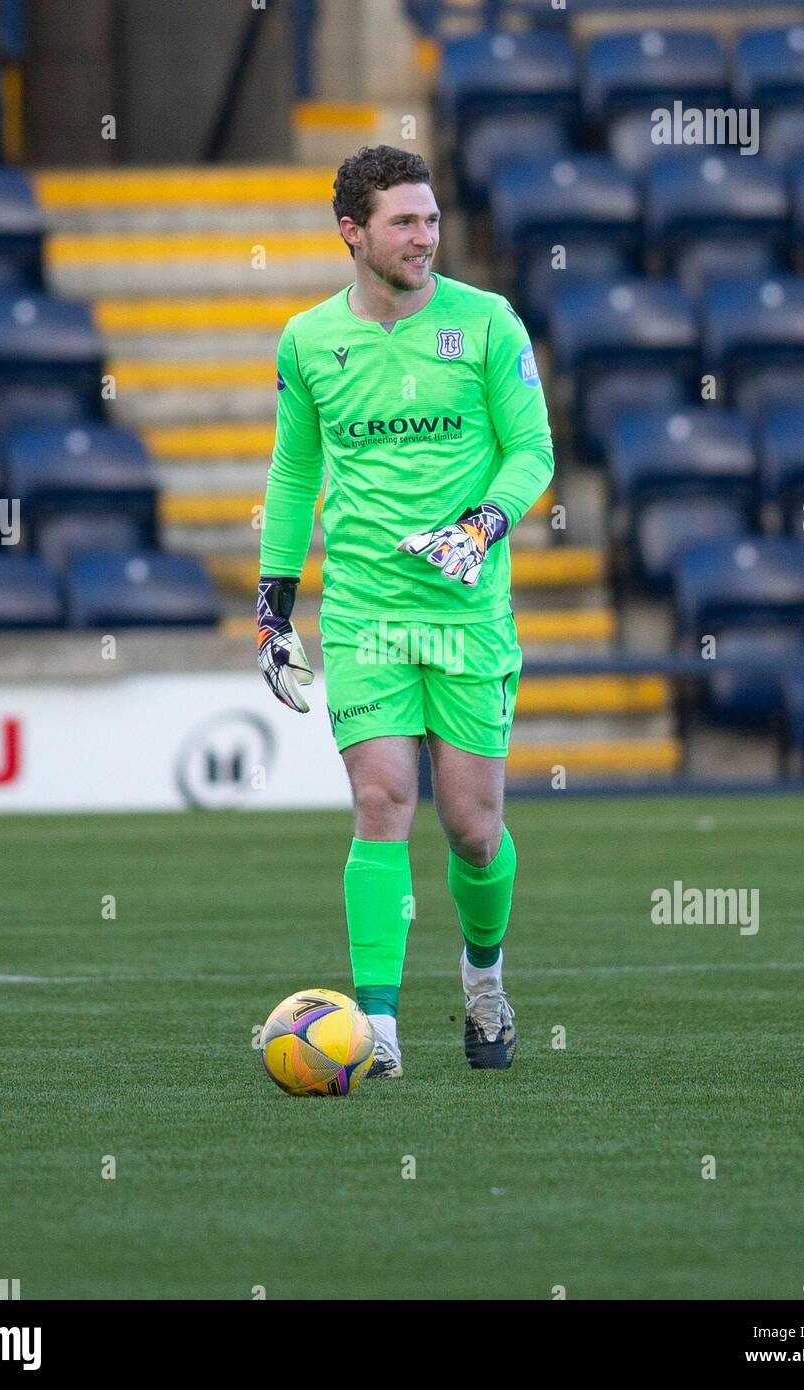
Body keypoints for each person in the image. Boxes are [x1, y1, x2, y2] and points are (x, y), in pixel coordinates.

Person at [256, 144, 554, 1077]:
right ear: (353, 233)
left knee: (472, 825)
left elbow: (534, 450)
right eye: (405, 223)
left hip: (467, 613)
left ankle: (484, 984)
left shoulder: (489, 322)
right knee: (382, 799)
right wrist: (274, 607)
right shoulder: (308, 340)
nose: (426, 237)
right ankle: (375, 1027)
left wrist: (484, 523)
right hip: (365, 612)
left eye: (431, 220)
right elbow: (296, 471)